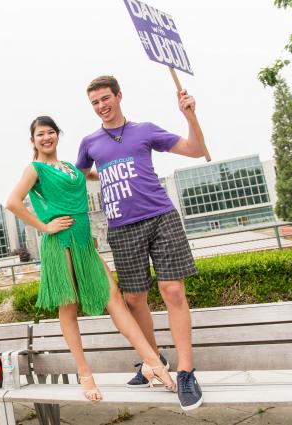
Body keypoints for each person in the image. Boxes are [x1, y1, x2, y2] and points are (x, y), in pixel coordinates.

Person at [5, 116, 176, 402]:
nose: (46, 138)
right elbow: (12, 202)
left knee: (114, 298)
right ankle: (85, 374)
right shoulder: (34, 169)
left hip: (85, 243)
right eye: (40, 134)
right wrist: (45, 226)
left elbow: (104, 174)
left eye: (50, 132)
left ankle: (154, 364)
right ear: (33, 140)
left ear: (58, 135)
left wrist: (128, 165)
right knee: (69, 308)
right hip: (60, 243)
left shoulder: (72, 169)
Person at [76, 75, 205, 410]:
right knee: (133, 298)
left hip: (161, 216)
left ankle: (187, 373)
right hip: (122, 227)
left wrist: (190, 114)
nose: (101, 106)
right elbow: (75, 180)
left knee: (173, 290)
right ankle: (154, 362)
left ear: (119, 96)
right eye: (95, 102)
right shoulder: (90, 143)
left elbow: (195, 150)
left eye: (105, 98)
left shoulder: (145, 130)